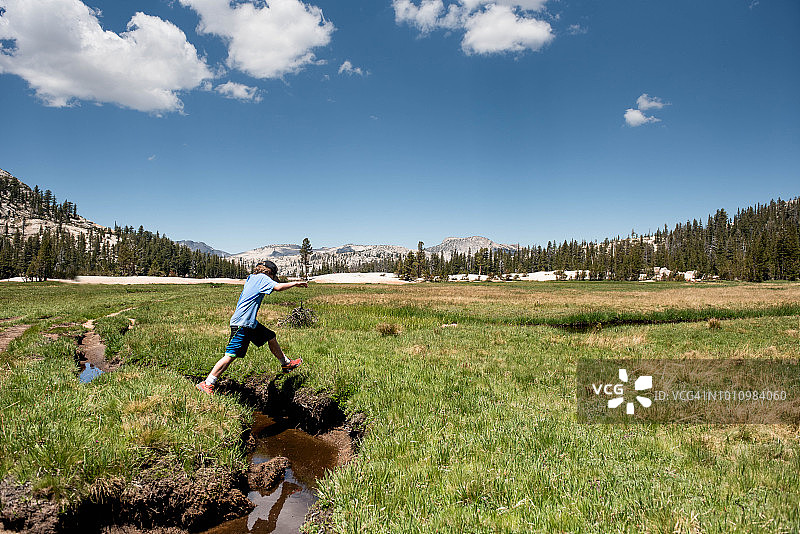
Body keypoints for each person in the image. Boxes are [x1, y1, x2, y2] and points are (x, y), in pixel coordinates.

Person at [196, 260, 307, 395]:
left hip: (250, 323)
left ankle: (286, 364)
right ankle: (207, 383)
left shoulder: (252, 278)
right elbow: (278, 287)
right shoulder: (262, 278)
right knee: (231, 355)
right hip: (242, 323)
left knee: (270, 336)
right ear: (270, 273)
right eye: (273, 277)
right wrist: (295, 283)